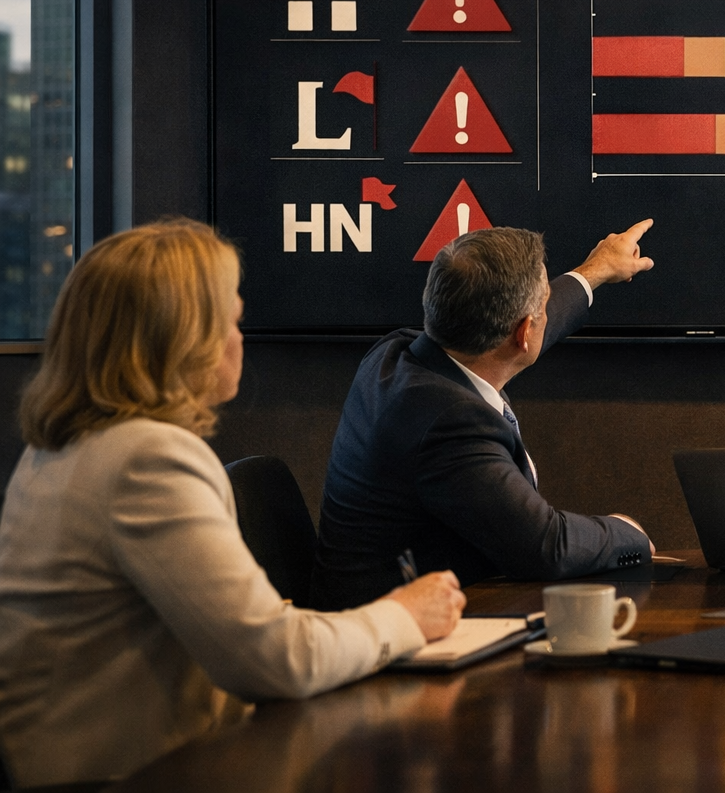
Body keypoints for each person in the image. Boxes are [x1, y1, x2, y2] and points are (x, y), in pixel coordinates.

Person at [0, 220, 465, 788]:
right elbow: (274, 659)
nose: (240, 338)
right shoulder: (146, 459)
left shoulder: (59, 449)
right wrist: (405, 615)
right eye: (233, 320)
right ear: (185, 339)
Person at [310, 221, 656, 610]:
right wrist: (628, 534)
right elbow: (545, 546)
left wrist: (596, 271)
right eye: (542, 303)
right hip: (391, 642)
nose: (547, 309)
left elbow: (531, 322)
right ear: (523, 333)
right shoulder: (448, 421)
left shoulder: (398, 353)